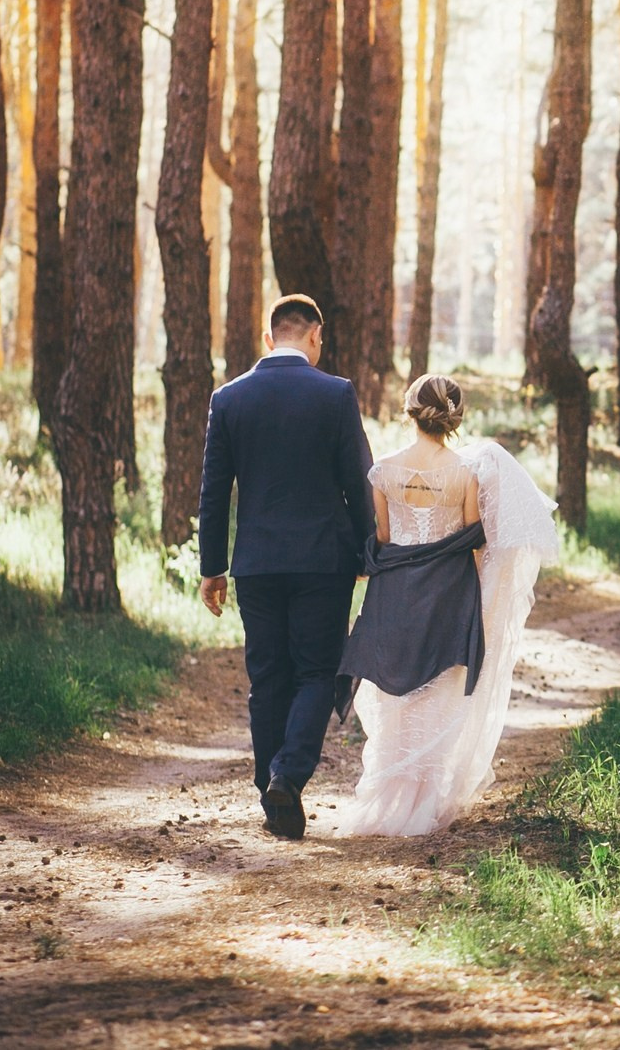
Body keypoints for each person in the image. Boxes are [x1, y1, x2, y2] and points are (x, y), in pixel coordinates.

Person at [332, 375, 560, 837]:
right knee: (437, 694)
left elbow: (383, 538)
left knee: (396, 696)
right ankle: (422, 803)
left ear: (410, 411)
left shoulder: (383, 473)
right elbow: (474, 541)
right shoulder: (468, 473)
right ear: (454, 416)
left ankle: (388, 795)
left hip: (395, 594)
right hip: (448, 595)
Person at [196, 294, 374, 840]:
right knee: (317, 672)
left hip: (256, 564)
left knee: (267, 676)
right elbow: (359, 481)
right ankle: (288, 776)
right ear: (315, 336)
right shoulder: (336, 394)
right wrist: (370, 551)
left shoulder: (229, 399)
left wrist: (213, 567)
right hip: (324, 562)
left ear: (269, 337)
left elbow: (213, 493)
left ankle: (271, 792)